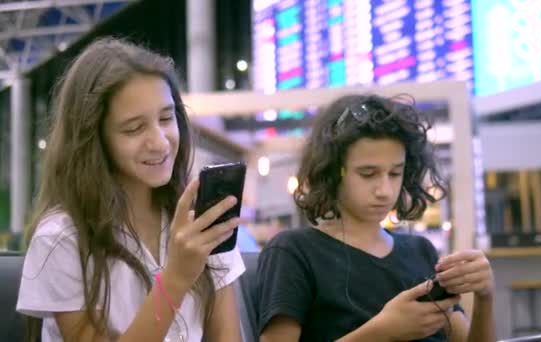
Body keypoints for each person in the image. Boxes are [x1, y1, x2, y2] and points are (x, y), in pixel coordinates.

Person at [16, 37, 244, 342]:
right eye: (134, 128)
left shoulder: (199, 219)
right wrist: (176, 278)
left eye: (166, 118)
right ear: (94, 139)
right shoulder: (61, 238)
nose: (161, 142)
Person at [256, 94, 496, 341]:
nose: (385, 190)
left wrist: (485, 296)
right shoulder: (295, 251)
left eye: (395, 173)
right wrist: (382, 332)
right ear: (333, 173)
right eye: (368, 174)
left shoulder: (420, 251)